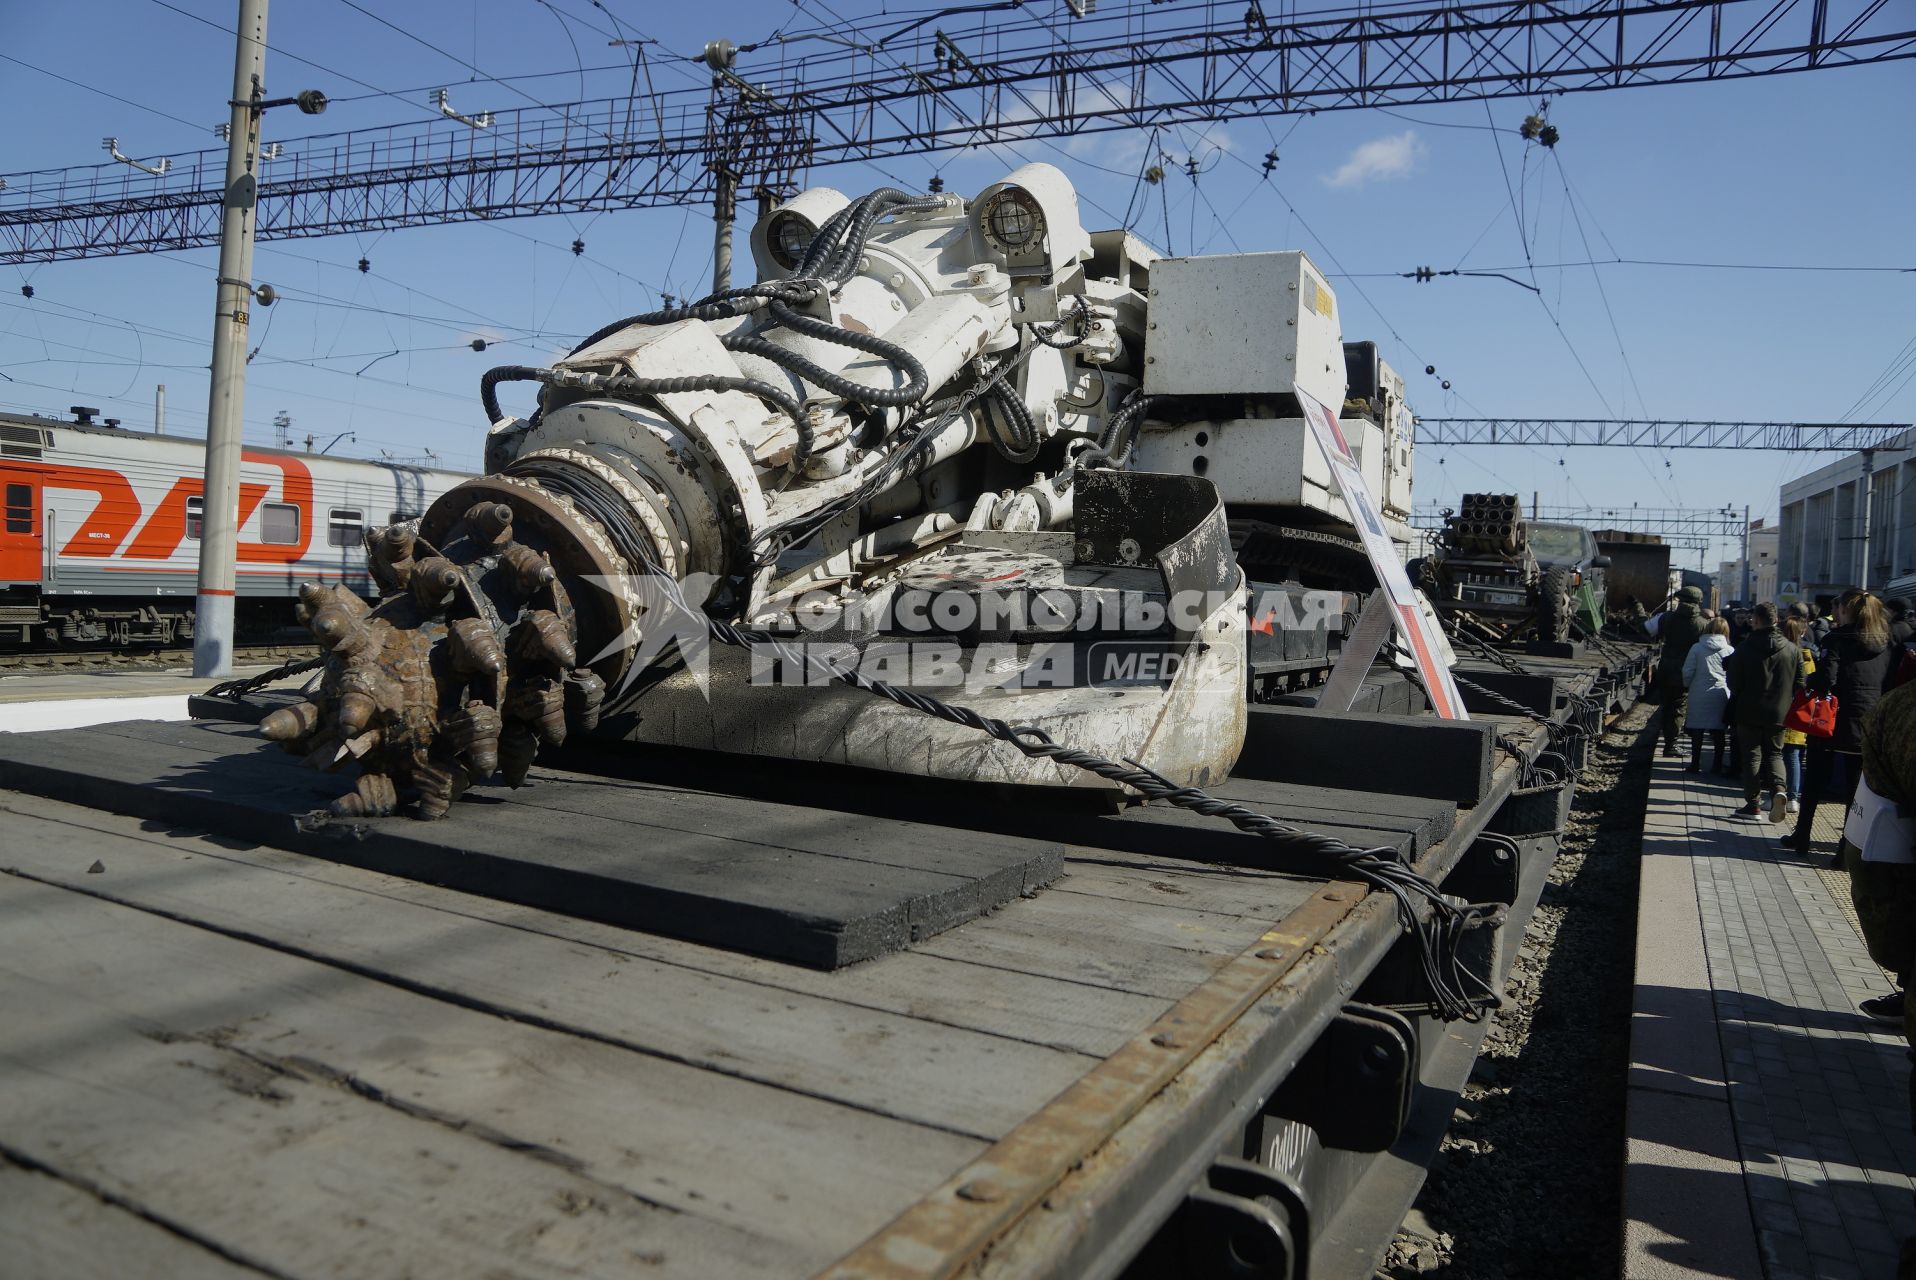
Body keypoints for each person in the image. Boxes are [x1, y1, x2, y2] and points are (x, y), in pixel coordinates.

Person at [1788, 589, 1899, 860]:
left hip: (1832, 721)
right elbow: (1889, 682)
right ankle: (1843, 850)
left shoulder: (1837, 639)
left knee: (1814, 780)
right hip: (1867, 723)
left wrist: (1809, 683)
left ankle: (1802, 837)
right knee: (1855, 792)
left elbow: (1828, 679)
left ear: (1848, 611)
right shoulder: (1887, 642)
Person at [1724, 601, 1802, 821]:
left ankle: (1753, 806)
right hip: (1780, 712)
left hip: (1748, 711)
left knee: (1751, 756)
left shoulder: (1744, 648)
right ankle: (1779, 790)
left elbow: (1733, 682)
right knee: (1775, 753)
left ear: (1755, 621)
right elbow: (1801, 682)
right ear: (1776, 620)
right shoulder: (1792, 649)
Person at [1654, 585, 1706, 759]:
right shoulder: (1703, 624)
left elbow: (1657, 635)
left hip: (1666, 667)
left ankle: (1669, 740)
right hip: (1686, 670)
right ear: (1698, 601)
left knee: (1666, 706)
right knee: (1678, 708)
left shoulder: (1667, 618)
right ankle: (1671, 745)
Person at [1680, 617, 1733, 774]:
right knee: (1718, 732)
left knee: (1697, 731)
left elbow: (1687, 671)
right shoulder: (1730, 650)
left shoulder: (1696, 648)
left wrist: (1688, 685)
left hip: (1699, 693)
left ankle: (1695, 764)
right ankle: (1717, 765)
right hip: (1720, 694)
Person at [1779, 615, 1816, 818]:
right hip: (1803, 711)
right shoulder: (1808, 656)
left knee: (1786, 754)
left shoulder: (1783, 653)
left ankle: (1786, 795)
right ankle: (1793, 796)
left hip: (1784, 709)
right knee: (1796, 754)